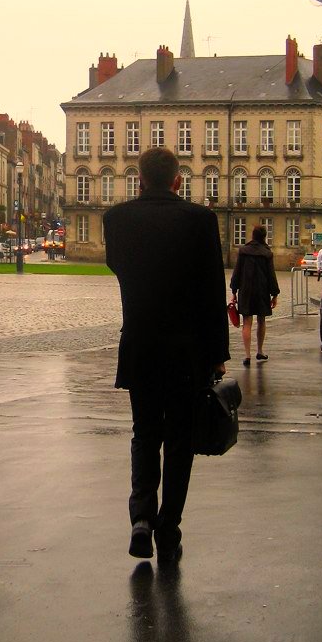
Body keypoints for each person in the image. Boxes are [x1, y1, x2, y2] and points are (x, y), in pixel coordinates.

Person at [103, 148, 229, 565]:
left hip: (140, 344)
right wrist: (217, 355)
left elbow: (119, 267)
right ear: (178, 180)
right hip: (186, 350)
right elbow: (213, 291)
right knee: (179, 441)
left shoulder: (116, 220)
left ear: (139, 180)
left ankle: (141, 517)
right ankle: (168, 529)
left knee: (144, 432)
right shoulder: (200, 221)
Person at [230, 224, 280, 368]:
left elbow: (237, 272)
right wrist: (274, 294)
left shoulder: (243, 251)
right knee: (261, 320)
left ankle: (247, 355)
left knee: (247, 322)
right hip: (262, 290)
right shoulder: (267, 253)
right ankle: (260, 350)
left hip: (246, 290)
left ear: (252, 235)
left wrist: (234, 291)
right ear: (264, 236)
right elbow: (271, 275)